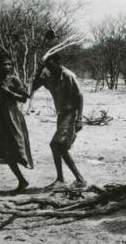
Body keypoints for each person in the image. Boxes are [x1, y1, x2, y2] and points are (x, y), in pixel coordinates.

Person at [32, 54, 86, 189]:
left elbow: (79, 97)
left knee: (56, 146)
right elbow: (34, 87)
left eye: (50, 64)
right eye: (46, 65)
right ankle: (70, 179)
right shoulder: (50, 76)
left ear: (57, 62)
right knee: (59, 147)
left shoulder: (68, 75)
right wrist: (39, 71)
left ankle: (74, 179)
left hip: (70, 115)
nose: (48, 67)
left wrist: (79, 118)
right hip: (61, 116)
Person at [0, 54, 32, 193]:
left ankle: (22, 181)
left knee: (9, 151)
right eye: (4, 64)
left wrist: (10, 93)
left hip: (10, 116)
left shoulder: (14, 79)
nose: (7, 67)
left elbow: (24, 98)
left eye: (9, 64)